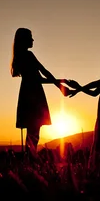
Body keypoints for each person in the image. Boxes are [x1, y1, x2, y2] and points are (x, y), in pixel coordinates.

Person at [10, 28, 69, 160]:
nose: (33, 40)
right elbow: (43, 73)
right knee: (34, 132)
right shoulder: (28, 55)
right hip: (33, 95)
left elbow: (39, 77)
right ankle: (30, 160)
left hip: (28, 93)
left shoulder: (20, 57)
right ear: (24, 39)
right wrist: (60, 84)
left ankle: (29, 159)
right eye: (30, 37)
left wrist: (59, 83)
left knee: (32, 132)